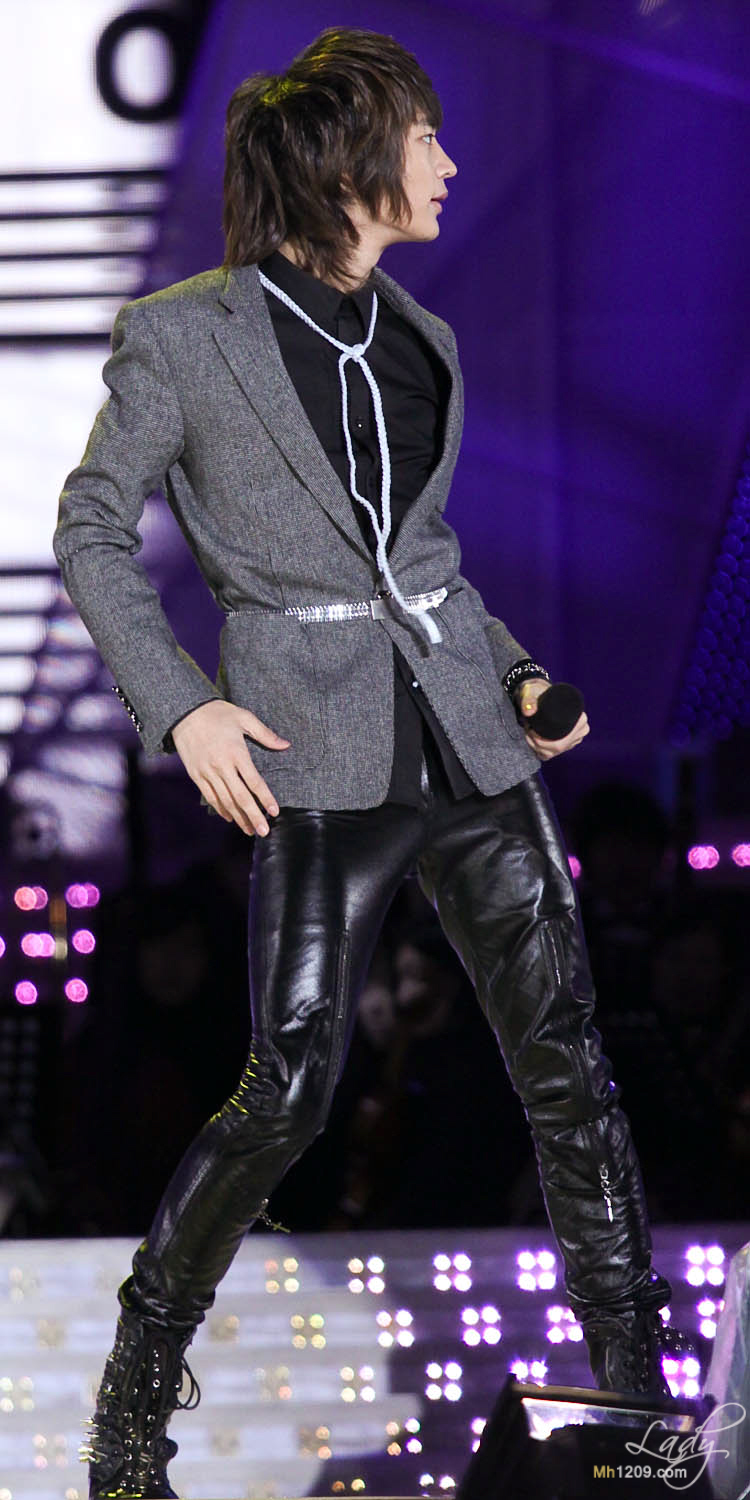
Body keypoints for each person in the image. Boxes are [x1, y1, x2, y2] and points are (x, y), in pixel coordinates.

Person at [54, 27, 672, 1499]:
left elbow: (424, 569)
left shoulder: (422, 340)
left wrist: (515, 675)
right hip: (310, 749)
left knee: (568, 1064)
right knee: (289, 1086)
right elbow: (90, 530)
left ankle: (640, 1408)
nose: (447, 163)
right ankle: (132, 1405)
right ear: (350, 161)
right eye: (427, 137)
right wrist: (183, 708)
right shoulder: (186, 335)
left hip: (467, 742)